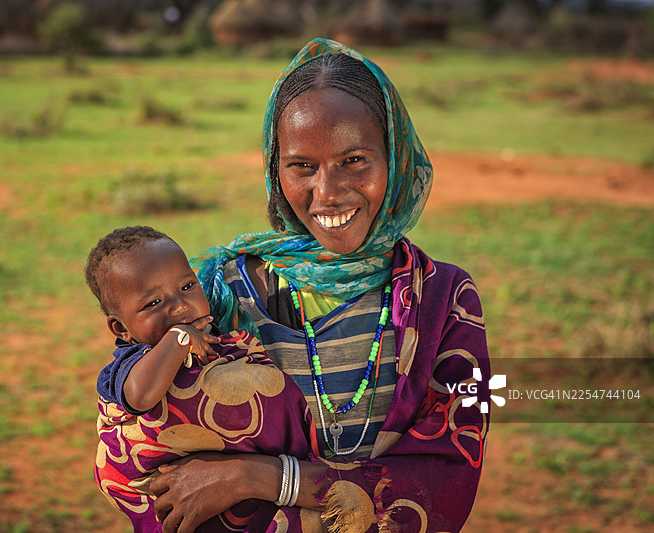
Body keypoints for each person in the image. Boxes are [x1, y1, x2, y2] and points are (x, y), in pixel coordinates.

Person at [96, 38, 490, 533]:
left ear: (395, 157)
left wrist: (256, 477)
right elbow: (146, 458)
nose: (327, 193)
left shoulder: (442, 300)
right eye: (302, 166)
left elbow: (447, 479)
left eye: (354, 160)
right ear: (273, 169)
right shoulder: (214, 295)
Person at [85, 226, 318, 532]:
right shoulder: (131, 361)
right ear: (121, 329)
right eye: (153, 303)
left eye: (187, 286)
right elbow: (140, 397)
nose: (180, 305)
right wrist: (180, 337)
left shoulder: (220, 337)